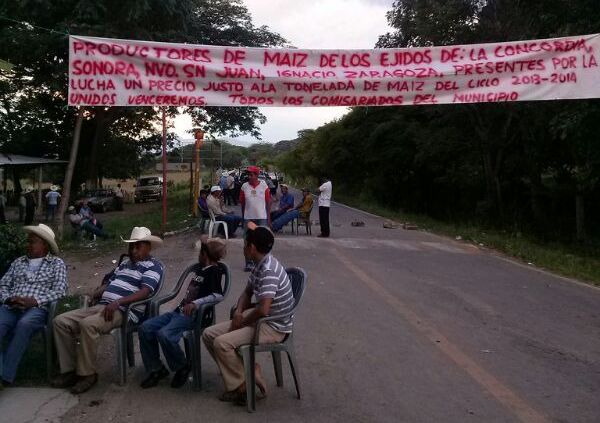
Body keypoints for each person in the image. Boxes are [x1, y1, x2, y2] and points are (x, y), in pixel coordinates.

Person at [52, 227, 163, 394]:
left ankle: (87, 375)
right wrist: (94, 294)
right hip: (102, 305)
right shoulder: (125, 264)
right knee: (60, 322)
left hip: (124, 311)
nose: (133, 250)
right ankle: (70, 371)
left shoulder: (154, 266)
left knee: (88, 325)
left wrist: (118, 302)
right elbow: (109, 283)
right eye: (131, 246)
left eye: (137, 246)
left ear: (148, 247)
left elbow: (145, 291)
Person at [202, 224, 293, 404]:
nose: (243, 248)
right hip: (261, 319)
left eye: (244, 245)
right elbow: (247, 292)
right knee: (208, 335)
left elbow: (263, 309)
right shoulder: (259, 265)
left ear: (251, 247)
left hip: (273, 326)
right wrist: (239, 311)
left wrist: (242, 322)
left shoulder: (268, 270)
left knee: (221, 343)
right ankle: (248, 375)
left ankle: (243, 386)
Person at [138, 236, 226, 389]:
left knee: (164, 334)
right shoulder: (200, 268)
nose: (199, 255)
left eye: (201, 252)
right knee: (145, 327)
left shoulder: (214, 271)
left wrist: (196, 303)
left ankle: (182, 366)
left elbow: (218, 295)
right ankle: (156, 369)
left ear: (205, 255)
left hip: (194, 316)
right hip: (178, 313)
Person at [0, 224, 67, 386]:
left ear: (44, 244)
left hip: (37, 309)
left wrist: (35, 301)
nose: (28, 245)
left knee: (24, 324)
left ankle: (5, 377)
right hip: (11, 306)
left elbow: (61, 290)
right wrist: (8, 298)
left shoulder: (56, 264)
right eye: (28, 241)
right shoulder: (18, 262)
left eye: (32, 242)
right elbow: (3, 285)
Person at [240, 166, 271, 271]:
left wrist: (268, 218)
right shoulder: (244, 186)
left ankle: (261, 263)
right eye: (248, 174)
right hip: (248, 218)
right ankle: (248, 263)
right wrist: (243, 217)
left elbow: (268, 202)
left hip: (261, 218)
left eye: (251, 174)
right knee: (248, 241)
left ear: (257, 175)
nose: (249, 176)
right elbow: (243, 203)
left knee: (262, 241)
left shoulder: (264, 186)